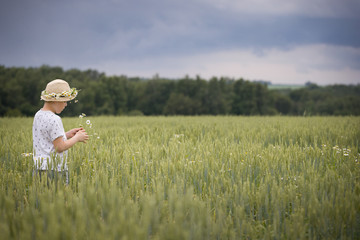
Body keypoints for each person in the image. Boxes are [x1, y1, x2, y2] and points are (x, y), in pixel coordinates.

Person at [32, 79, 89, 184]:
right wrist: (77, 138)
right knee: (57, 199)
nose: (66, 104)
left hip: (39, 168)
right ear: (55, 100)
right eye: (64, 101)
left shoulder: (38, 115)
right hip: (54, 170)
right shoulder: (55, 119)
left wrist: (66, 135)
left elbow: (48, 138)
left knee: (41, 199)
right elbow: (60, 147)